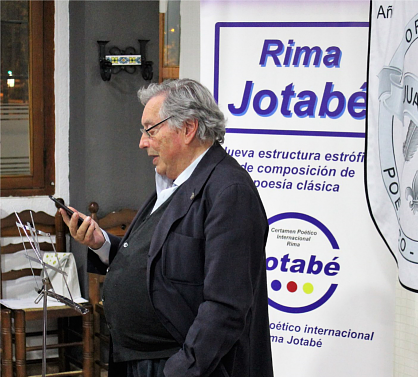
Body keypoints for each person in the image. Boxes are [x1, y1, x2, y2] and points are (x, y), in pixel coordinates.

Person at [61, 79, 274, 377]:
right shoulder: (173, 184)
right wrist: (102, 243)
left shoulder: (230, 191)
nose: (143, 142)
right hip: (141, 358)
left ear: (188, 129)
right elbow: (158, 257)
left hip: (185, 366)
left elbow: (226, 306)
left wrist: (180, 370)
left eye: (151, 129)